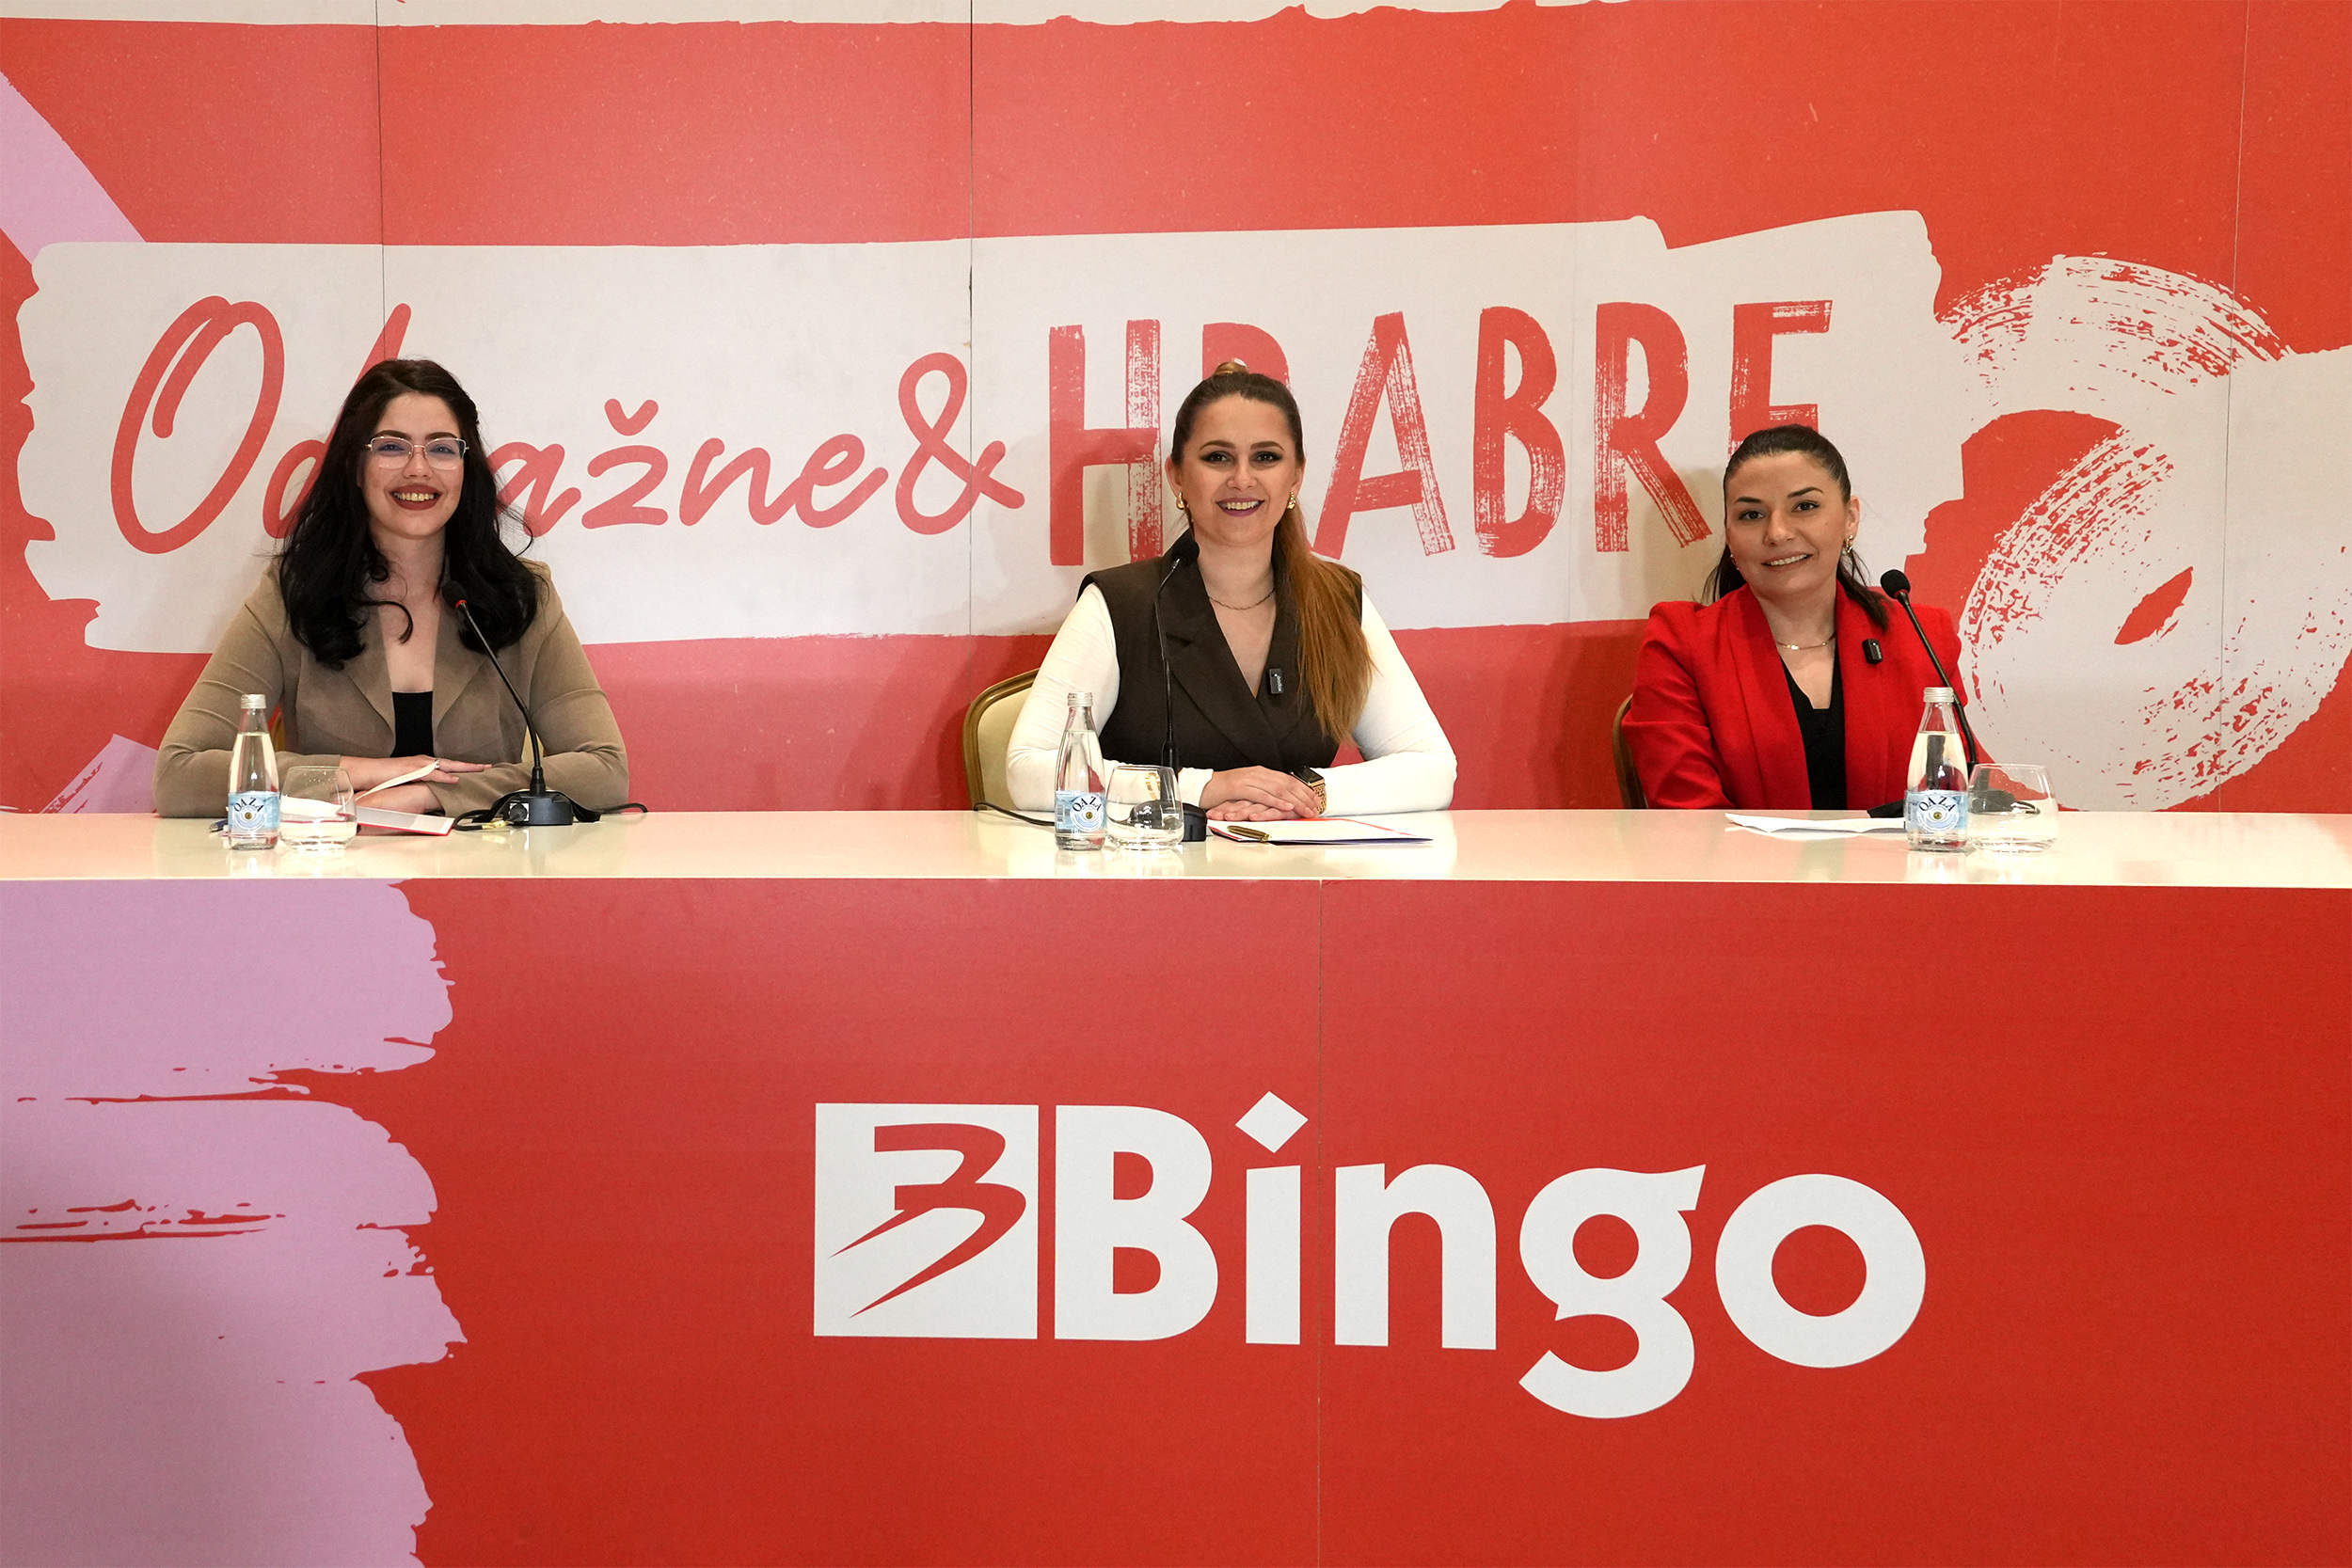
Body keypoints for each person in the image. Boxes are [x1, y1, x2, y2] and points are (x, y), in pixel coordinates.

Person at [153, 359, 627, 819]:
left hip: (487, 867)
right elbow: (180, 774)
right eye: (392, 447)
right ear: (355, 466)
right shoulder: (294, 593)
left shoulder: (520, 596)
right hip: (334, 865)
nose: (419, 469)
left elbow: (605, 769)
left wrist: (431, 794)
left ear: (467, 468)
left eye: (442, 449)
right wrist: (355, 775)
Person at [1008, 361, 1453, 821]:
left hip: (1294, 862)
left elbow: (1432, 768)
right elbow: (1029, 770)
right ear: (1177, 476)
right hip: (1153, 863)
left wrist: (1309, 794)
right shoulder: (1120, 603)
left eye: (1266, 458)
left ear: (1296, 476)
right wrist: (1199, 788)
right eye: (1218, 457)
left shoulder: (1337, 599)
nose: (1242, 479)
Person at [1622, 424, 1965, 811]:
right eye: (1751, 514)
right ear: (1729, 534)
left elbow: (1960, 791)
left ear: (1850, 517)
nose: (1777, 533)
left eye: (1804, 507)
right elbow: (1687, 813)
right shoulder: (1681, 643)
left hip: (1902, 854)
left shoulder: (1922, 636)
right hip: (1734, 854)